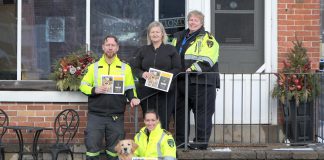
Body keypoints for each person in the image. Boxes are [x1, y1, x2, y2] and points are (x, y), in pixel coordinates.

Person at [79, 35, 140, 160]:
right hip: (96, 115)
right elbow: (83, 86)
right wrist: (94, 89)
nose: (110, 48)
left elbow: (130, 88)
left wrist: (133, 98)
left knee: (114, 152)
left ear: (117, 48)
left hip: (116, 116)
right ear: (103, 47)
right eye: (108, 45)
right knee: (92, 150)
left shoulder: (125, 68)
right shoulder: (94, 67)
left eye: (113, 45)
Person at [171, 10, 220, 150]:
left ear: (201, 23)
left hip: (202, 82)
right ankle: (181, 142)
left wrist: (191, 69)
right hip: (180, 81)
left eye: (196, 20)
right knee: (180, 113)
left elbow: (208, 59)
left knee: (202, 114)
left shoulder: (208, 39)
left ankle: (200, 143)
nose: (192, 22)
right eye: (191, 20)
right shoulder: (178, 36)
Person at [132, 21, 181, 130]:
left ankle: (161, 145)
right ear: (149, 34)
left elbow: (177, 68)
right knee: (149, 120)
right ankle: (150, 145)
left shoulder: (171, 49)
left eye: (157, 32)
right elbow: (135, 68)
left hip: (164, 91)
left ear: (162, 34)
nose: (155, 34)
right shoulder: (143, 50)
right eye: (152, 32)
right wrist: (142, 73)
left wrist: (166, 76)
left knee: (163, 120)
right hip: (146, 91)